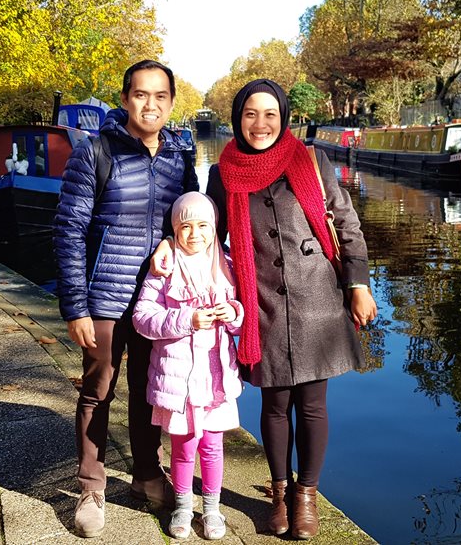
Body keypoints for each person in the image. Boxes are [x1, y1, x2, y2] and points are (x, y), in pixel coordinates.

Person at [152, 78, 377, 539]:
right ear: (238, 119)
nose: (261, 123)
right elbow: (202, 233)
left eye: (270, 113)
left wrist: (357, 284)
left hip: (318, 300)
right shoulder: (223, 171)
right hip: (262, 302)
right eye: (251, 114)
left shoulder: (312, 159)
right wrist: (167, 247)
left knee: (312, 405)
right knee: (274, 405)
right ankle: (278, 493)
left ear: (284, 117)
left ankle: (306, 497)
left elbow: (348, 226)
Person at [53, 59, 199, 538]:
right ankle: (92, 486)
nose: (150, 104)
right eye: (141, 94)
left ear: (172, 103)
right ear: (125, 98)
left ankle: (145, 474)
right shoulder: (95, 151)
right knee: (98, 391)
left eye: (160, 96)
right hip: (105, 298)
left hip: (158, 302)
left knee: (148, 391)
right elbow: (69, 229)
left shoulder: (180, 158)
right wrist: (76, 305)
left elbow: (192, 226)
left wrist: (170, 244)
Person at [133, 191, 244, 540]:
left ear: (214, 228)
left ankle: (212, 509)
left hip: (215, 379)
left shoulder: (226, 264)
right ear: (174, 230)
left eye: (203, 226)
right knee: (183, 447)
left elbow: (245, 318)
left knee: (212, 444)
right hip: (178, 380)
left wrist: (234, 314)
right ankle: (182, 505)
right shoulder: (163, 268)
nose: (194, 234)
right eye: (185, 226)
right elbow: (142, 318)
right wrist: (187, 319)